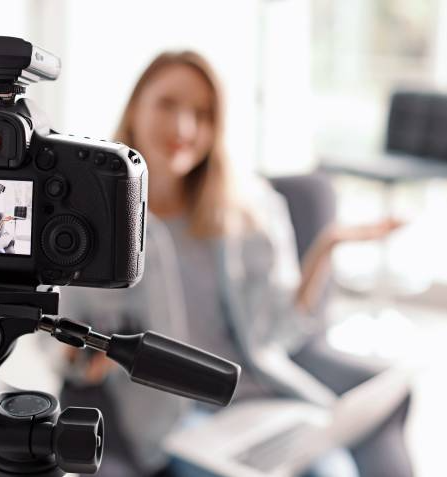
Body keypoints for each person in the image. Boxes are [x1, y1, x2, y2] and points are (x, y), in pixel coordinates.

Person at [57, 51, 412, 477]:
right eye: (167, 105)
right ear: (136, 107)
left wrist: (324, 249)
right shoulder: (95, 224)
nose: (183, 128)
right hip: (179, 418)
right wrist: (83, 357)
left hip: (260, 400)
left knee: (333, 470)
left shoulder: (250, 210)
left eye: (201, 114)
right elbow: (64, 339)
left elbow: (282, 331)